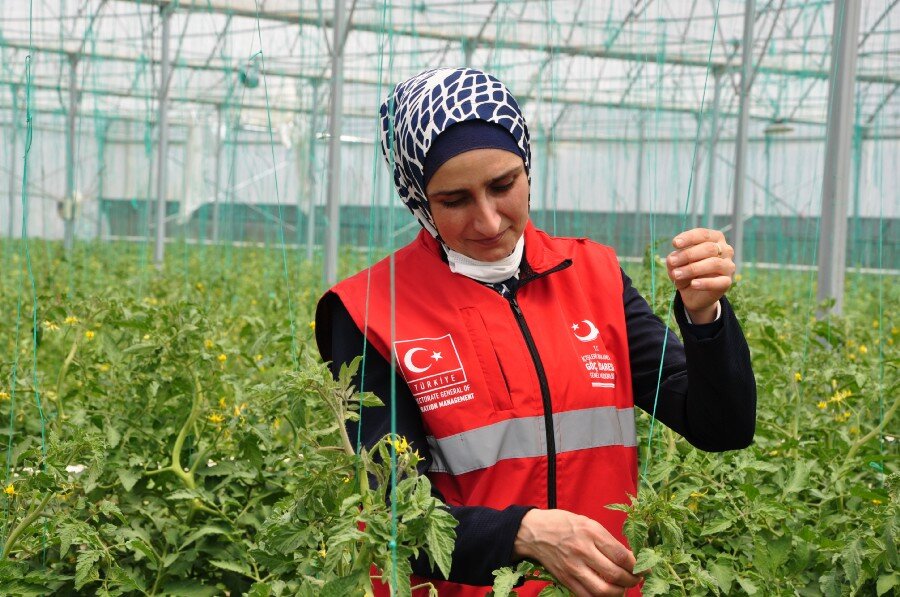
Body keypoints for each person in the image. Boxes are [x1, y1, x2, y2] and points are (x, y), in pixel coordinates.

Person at [315, 67, 756, 597]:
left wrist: (705, 318)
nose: (489, 220)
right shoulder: (369, 311)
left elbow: (720, 426)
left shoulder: (593, 274)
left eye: (504, 186)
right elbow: (389, 509)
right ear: (417, 199)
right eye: (454, 200)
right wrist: (521, 534)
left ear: (528, 169)